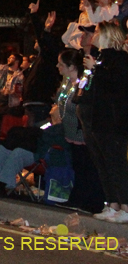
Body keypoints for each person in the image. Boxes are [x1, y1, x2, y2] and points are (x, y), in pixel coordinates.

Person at [74, 21, 128, 223]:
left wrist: (96, 69)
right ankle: (113, 203)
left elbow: (117, 84)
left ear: (108, 35)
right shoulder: (100, 58)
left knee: (116, 164)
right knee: (103, 164)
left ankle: (126, 206)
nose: (94, 35)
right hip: (98, 119)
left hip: (113, 121)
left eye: (97, 31)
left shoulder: (119, 58)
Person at [55, 49, 105, 213]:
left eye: (61, 64)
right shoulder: (67, 83)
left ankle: (91, 201)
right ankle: (78, 198)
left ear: (71, 66)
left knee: (87, 168)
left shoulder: (82, 84)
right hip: (70, 133)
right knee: (78, 167)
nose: (58, 67)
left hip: (81, 133)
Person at [22, 2, 60, 127]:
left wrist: (35, 17)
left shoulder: (48, 57)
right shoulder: (40, 59)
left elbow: (42, 39)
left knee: (36, 133)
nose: (36, 41)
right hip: (33, 104)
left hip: (39, 105)